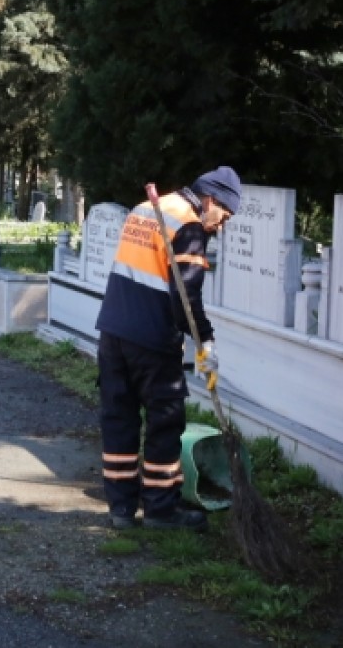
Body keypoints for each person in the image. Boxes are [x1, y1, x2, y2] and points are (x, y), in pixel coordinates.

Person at [94, 166, 241, 530]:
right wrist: (205, 341)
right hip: (151, 340)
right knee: (164, 421)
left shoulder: (147, 208)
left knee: (119, 419)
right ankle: (161, 509)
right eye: (224, 215)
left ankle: (121, 509)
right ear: (210, 200)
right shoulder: (189, 226)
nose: (220, 226)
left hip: (113, 331)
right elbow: (185, 297)